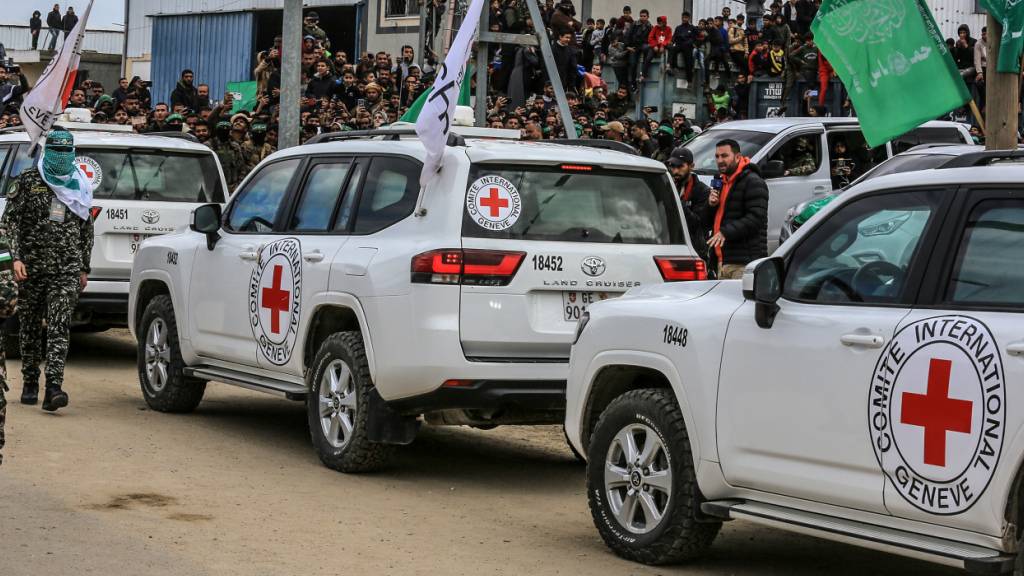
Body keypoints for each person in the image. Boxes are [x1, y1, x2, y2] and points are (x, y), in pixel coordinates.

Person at [2, 127, 94, 412]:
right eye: (57, 151)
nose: (62, 156)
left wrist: (84, 267)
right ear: (47, 151)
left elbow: (86, 229)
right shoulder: (28, 180)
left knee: (59, 324)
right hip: (30, 268)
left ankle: (54, 386)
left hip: (66, 268)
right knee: (30, 326)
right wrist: (15, 259)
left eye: (67, 151)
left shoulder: (80, 185)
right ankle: (30, 380)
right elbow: (9, 223)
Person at [701, 139, 768, 279]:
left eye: (724, 156)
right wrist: (711, 205)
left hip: (743, 263)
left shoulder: (753, 181)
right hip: (722, 261)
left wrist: (725, 232)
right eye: (717, 156)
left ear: (737, 157)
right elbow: (705, 222)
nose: (720, 160)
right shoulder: (720, 181)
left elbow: (756, 218)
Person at [667, 147, 710, 262]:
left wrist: (677, 201)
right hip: (670, 245)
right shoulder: (668, 186)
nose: (675, 171)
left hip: (693, 251)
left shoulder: (702, 191)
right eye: (672, 166)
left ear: (691, 166)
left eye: (680, 166)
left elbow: (697, 224)